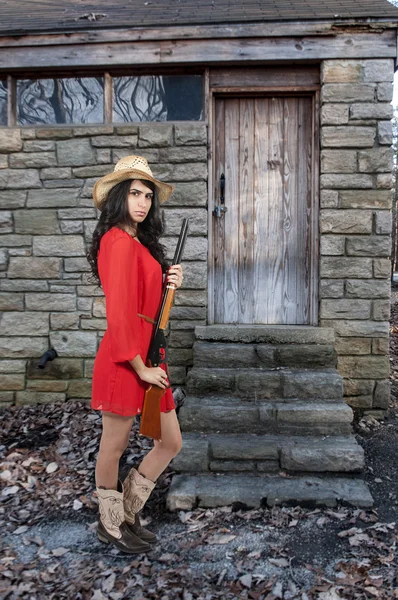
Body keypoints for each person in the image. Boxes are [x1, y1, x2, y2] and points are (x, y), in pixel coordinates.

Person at [86, 155, 184, 554]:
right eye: (134, 194)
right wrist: (140, 366)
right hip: (127, 359)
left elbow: (147, 305)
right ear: (117, 198)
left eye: (147, 195)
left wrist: (170, 282)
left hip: (148, 355)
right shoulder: (115, 240)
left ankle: (127, 511)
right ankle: (109, 523)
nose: (142, 202)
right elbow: (120, 310)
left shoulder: (137, 242)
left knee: (171, 441)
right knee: (114, 445)